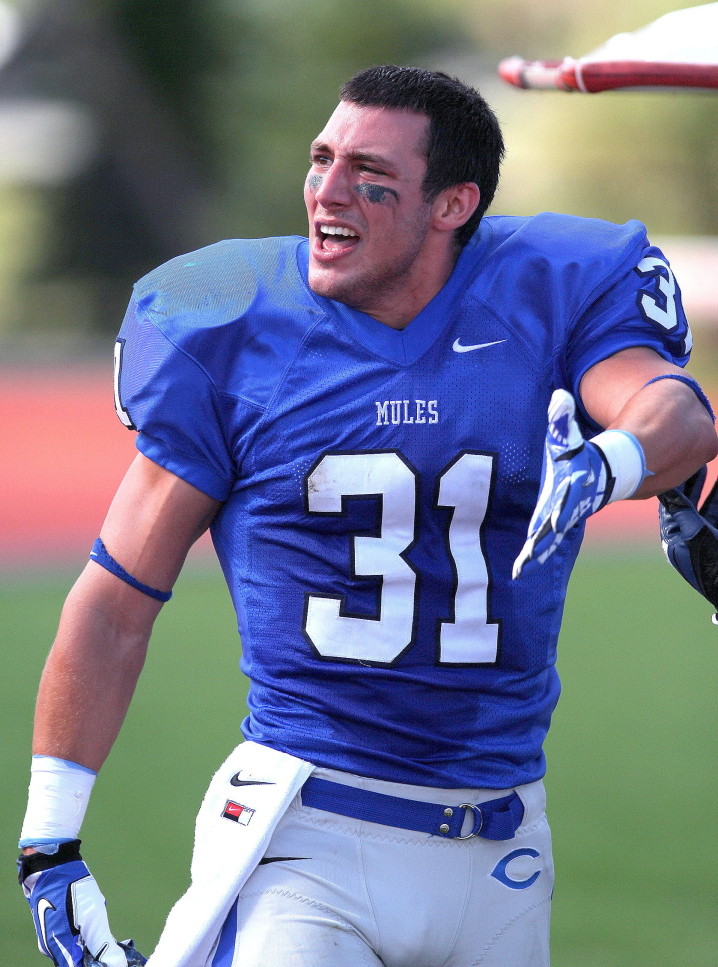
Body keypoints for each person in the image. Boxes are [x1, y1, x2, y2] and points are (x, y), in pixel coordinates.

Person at [18, 65, 718, 967]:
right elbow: (115, 602)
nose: (326, 191)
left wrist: (609, 460)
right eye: (322, 159)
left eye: (370, 176)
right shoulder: (235, 322)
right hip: (305, 833)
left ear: (453, 204)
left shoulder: (553, 287)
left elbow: (680, 416)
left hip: (505, 842)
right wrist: (49, 843)